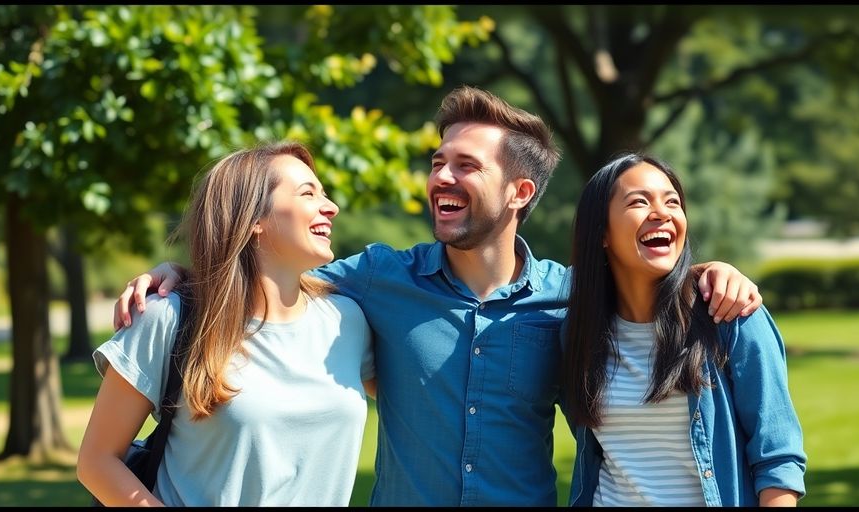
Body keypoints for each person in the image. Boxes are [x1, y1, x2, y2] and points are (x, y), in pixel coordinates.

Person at [112, 86, 764, 506]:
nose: (440, 176)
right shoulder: (376, 280)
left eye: (465, 165)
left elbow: (646, 276)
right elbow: (265, 270)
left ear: (520, 193)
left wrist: (712, 271)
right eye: (436, 162)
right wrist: (181, 271)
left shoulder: (574, 302)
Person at [78, 141, 376, 506]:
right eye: (308, 193)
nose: (331, 207)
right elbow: (96, 462)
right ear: (254, 220)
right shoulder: (166, 319)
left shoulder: (348, 322)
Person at [561, 152, 806, 507]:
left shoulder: (731, 315)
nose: (662, 213)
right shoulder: (577, 332)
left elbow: (778, 457)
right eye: (639, 202)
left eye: (672, 201)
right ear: (602, 233)